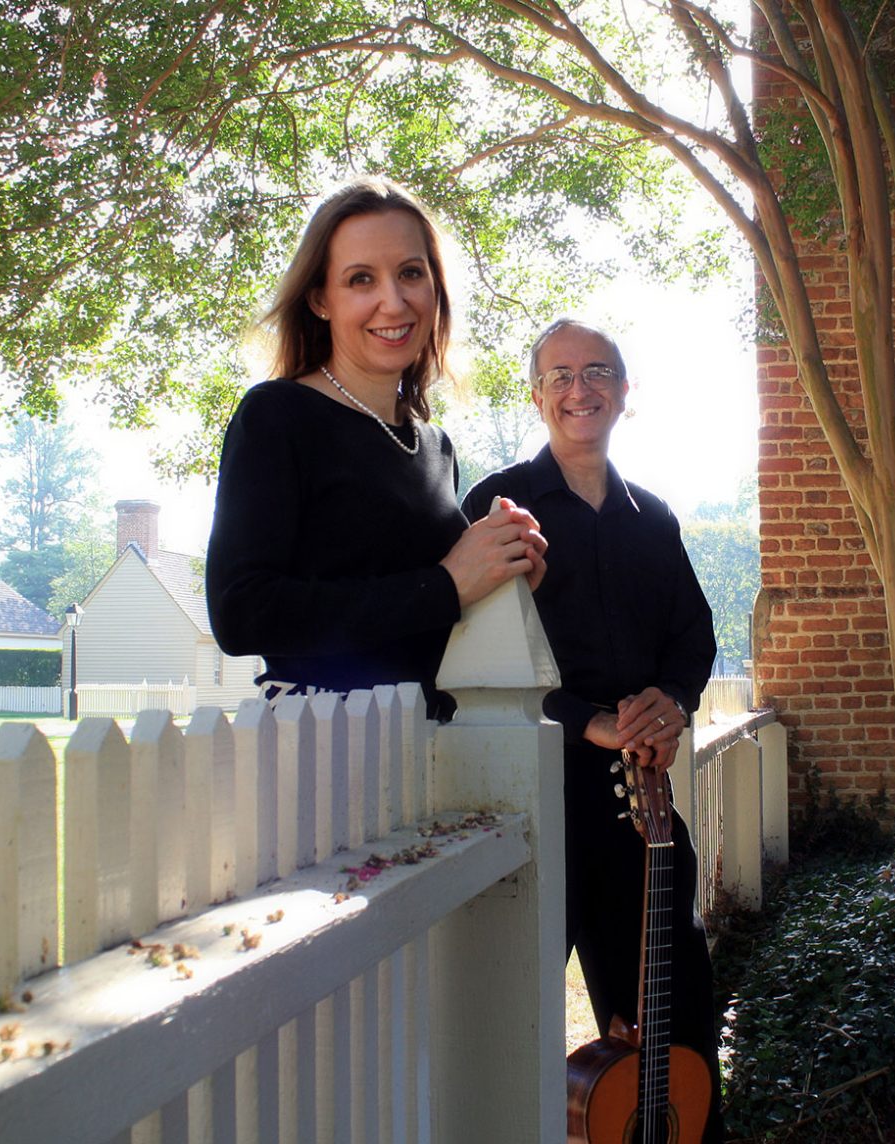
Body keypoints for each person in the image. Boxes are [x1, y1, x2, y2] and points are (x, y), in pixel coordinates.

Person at [462, 317, 723, 1140]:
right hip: (531, 799)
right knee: (512, 1031)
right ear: (537, 395)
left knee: (677, 1021)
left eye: (599, 372)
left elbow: (693, 635)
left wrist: (671, 701)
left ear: (624, 393)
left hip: (637, 808)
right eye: (562, 375)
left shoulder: (654, 518)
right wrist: (590, 720)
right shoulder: (497, 506)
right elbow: (473, 661)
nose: (582, 390)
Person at [206, 178, 545, 714]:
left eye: (411, 273)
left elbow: (423, 620)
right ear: (320, 299)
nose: (393, 301)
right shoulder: (277, 416)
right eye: (361, 279)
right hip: (323, 746)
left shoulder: (435, 447)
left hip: (435, 752)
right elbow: (241, 614)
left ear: (435, 288)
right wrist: (447, 584)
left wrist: (501, 575)